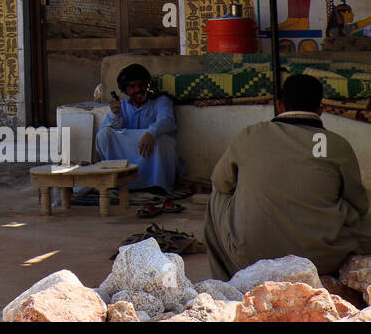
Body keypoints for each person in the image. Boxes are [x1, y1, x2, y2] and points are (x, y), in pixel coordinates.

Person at [203, 73, 371, 280]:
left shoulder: (251, 135)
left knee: (218, 195)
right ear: (321, 110)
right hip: (323, 257)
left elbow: (221, 182)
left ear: (280, 106)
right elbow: (360, 204)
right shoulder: (335, 144)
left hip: (251, 257)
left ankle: (228, 283)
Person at [95, 63, 182, 201]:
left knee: (163, 139)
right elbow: (106, 132)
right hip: (129, 152)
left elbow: (167, 120)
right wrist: (115, 115)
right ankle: (117, 181)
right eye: (132, 86)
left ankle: (155, 185)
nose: (138, 90)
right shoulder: (121, 106)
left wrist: (151, 133)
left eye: (141, 85)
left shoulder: (160, 101)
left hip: (152, 149)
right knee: (104, 135)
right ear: (125, 89)